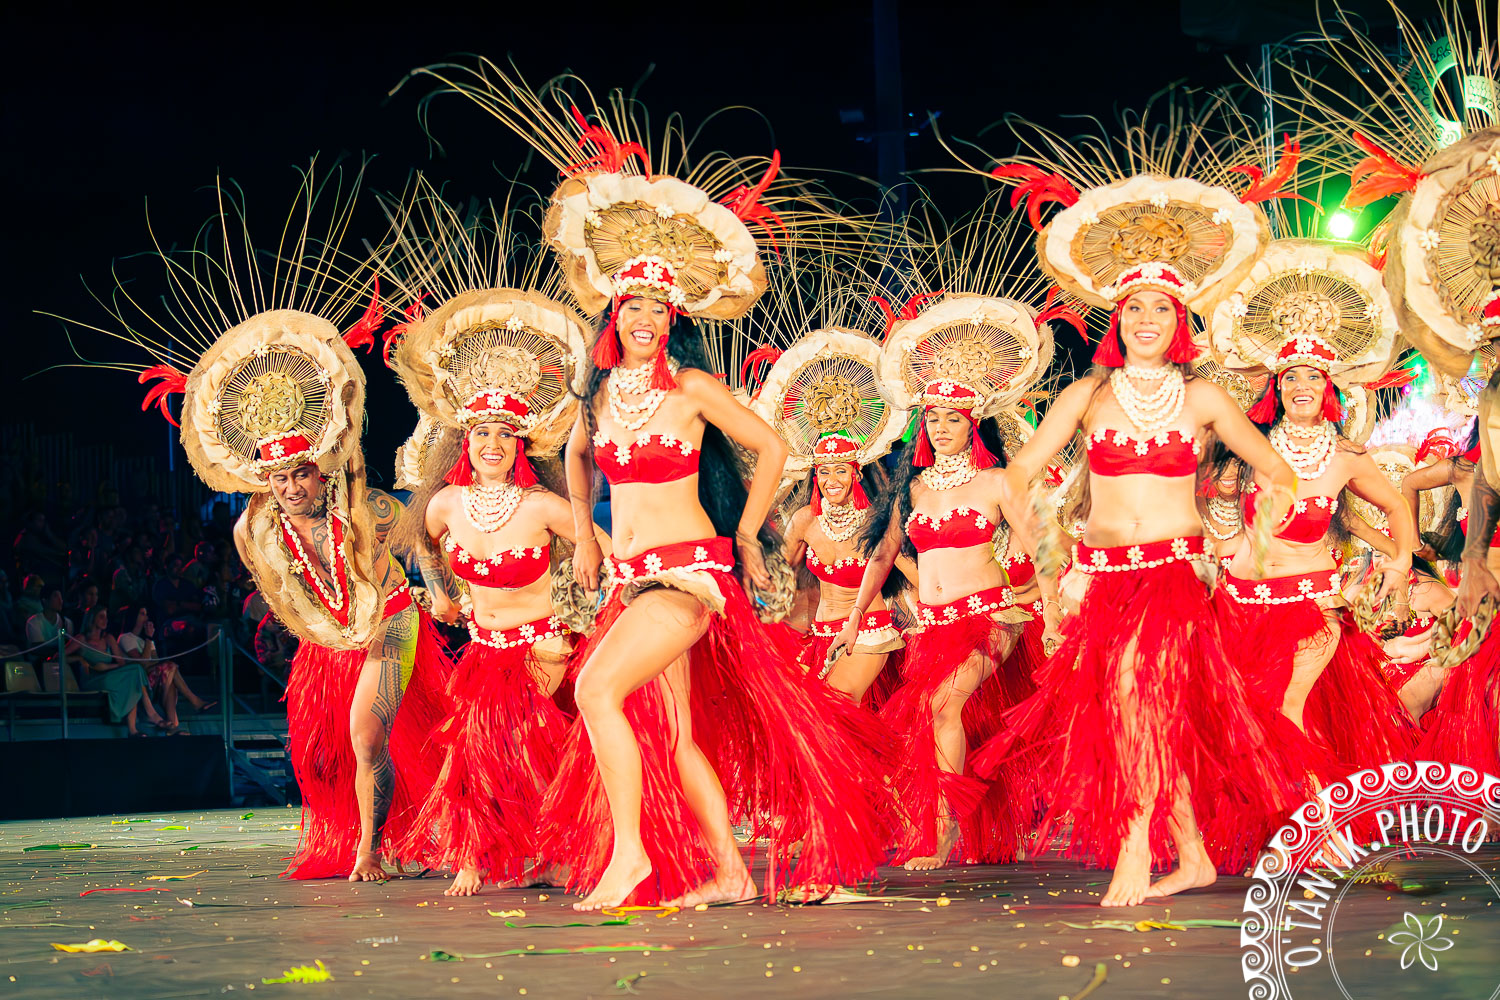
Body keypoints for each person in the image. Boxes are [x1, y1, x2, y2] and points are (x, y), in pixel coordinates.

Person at [544, 258, 891, 910]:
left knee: (595, 690)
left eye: (658, 308)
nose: (645, 319)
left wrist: (748, 533)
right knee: (676, 738)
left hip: (687, 579)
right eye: (633, 305)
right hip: (633, 579)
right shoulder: (599, 396)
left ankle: (629, 855)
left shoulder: (692, 387)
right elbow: (577, 456)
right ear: (613, 315)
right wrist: (586, 535)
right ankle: (732, 872)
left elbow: (772, 447)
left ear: (672, 320)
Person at [118, 605, 215, 734]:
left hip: (154, 680)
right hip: (139, 683)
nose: (146, 617)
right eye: (142, 614)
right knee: (171, 667)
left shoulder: (146, 640)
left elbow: (155, 662)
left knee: (171, 676)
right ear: (133, 616)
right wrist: (148, 638)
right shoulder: (126, 638)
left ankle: (172, 726)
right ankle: (194, 702)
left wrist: (148, 641)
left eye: (146, 614)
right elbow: (143, 664)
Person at [77, 607, 164, 737]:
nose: (105, 620)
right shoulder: (81, 639)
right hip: (92, 679)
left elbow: (121, 663)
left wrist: (107, 667)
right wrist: (79, 659)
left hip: (107, 674)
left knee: (135, 673)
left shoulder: (108, 638)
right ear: (92, 618)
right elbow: (57, 656)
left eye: (106, 617)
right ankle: (149, 715)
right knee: (134, 674)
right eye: (101, 616)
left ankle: (134, 729)